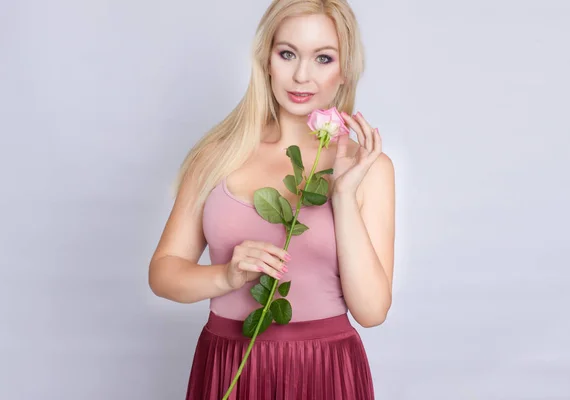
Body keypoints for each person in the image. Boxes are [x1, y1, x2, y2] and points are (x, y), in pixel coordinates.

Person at [148, 0, 396, 398]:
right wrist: (225, 276)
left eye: (323, 58)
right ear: (266, 60)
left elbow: (371, 311)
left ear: (345, 70)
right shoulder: (216, 156)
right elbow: (162, 273)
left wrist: (344, 196)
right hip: (229, 363)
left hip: (326, 371)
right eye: (287, 54)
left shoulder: (370, 168)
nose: (301, 75)